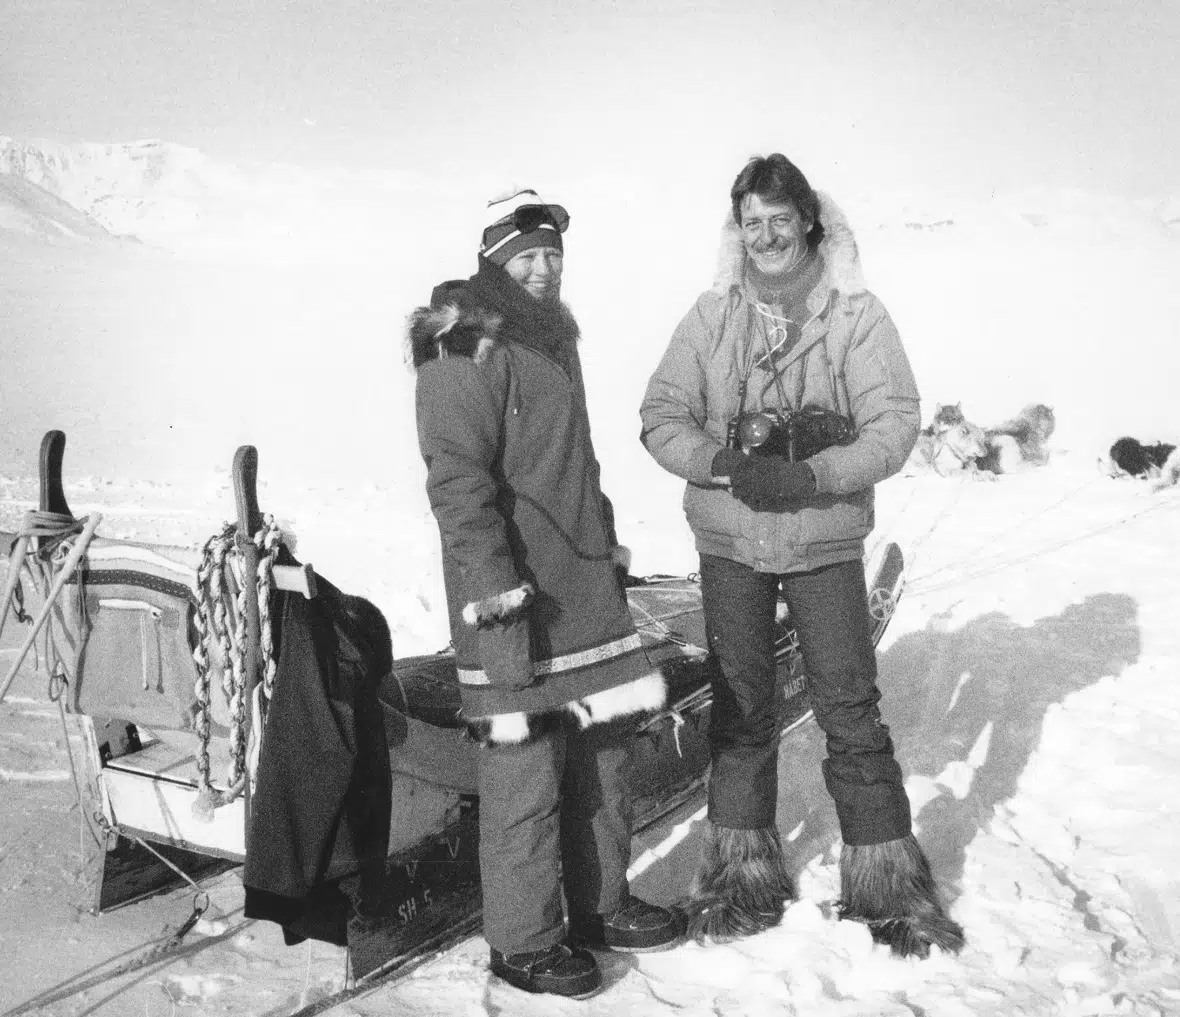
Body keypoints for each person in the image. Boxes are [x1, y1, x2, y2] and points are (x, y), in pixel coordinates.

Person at [638, 155, 965, 958]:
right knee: (740, 709)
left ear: (810, 222)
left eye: (781, 218)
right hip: (731, 539)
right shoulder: (712, 316)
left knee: (849, 707)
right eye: (753, 221)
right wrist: (726, 464)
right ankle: (739, 880)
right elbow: (660, 414)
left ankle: (889, 886)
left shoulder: (854, 315)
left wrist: (816, 470)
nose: (768, 235)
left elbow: (894, 423)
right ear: (737, 229)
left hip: (821, 539)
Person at [408, 188, 684, 998]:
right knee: (523, 774)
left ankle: (600, 906)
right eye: (525, 256)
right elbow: (459, 485)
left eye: (551, 255)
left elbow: (576, 462)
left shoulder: (554, 334)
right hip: (515, 596)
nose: (541, 267)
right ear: (494, 262)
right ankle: (523, 943)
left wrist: (603, 543)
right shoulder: (464, 341)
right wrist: (495, 596)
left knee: (602, 757)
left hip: (582, 588)